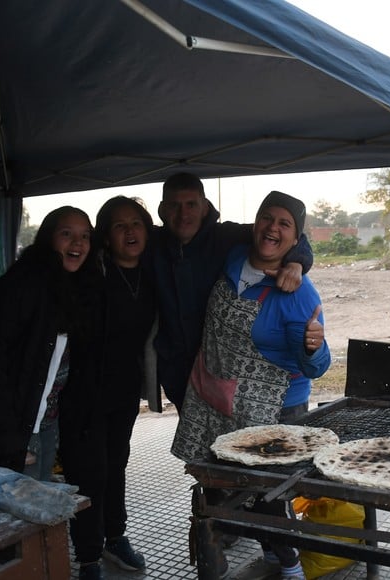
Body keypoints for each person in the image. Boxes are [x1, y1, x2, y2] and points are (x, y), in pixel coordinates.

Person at [171, 191, 330, 580]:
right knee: (222, 482)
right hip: (216, 400)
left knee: (266, 494)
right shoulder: (234, 257)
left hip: (273, 409)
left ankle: (290, 563)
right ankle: (269, 551)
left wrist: (315, 346)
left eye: (284, 224)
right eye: (266, 218)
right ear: (255, 222)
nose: (272, 228)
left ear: (296, 240)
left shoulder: (299, 293)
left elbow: (318, 367)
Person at [0, 207, 106, 577]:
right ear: (47, 239)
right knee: (13, 532)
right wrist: (10, 439)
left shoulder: (73, 288)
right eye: (67, 234)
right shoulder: (21, 285)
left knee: (39, 524)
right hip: (14, 430)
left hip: (45, 426)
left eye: (85, 236)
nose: (77, 243)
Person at [145, 172, 315, 410]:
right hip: (178, 374)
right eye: (175, 206)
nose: (183, 214)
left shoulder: (226, 237)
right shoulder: (152, 244)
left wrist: (297, 262)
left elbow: (285, 235)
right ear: (162, 210)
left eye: (191, 205)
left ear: (205, 207)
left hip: (222, 378)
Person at [66, 197, 157, 580]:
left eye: (136, 223)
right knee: (90, 472)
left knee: (116, 465)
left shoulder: (153, 269)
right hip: (82, 393)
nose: (130, 231)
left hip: (122, 391)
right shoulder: (88, 274)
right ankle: (88, 557)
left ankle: (115, 537)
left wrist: (299, 256)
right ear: (106, 236)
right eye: (119, 226)